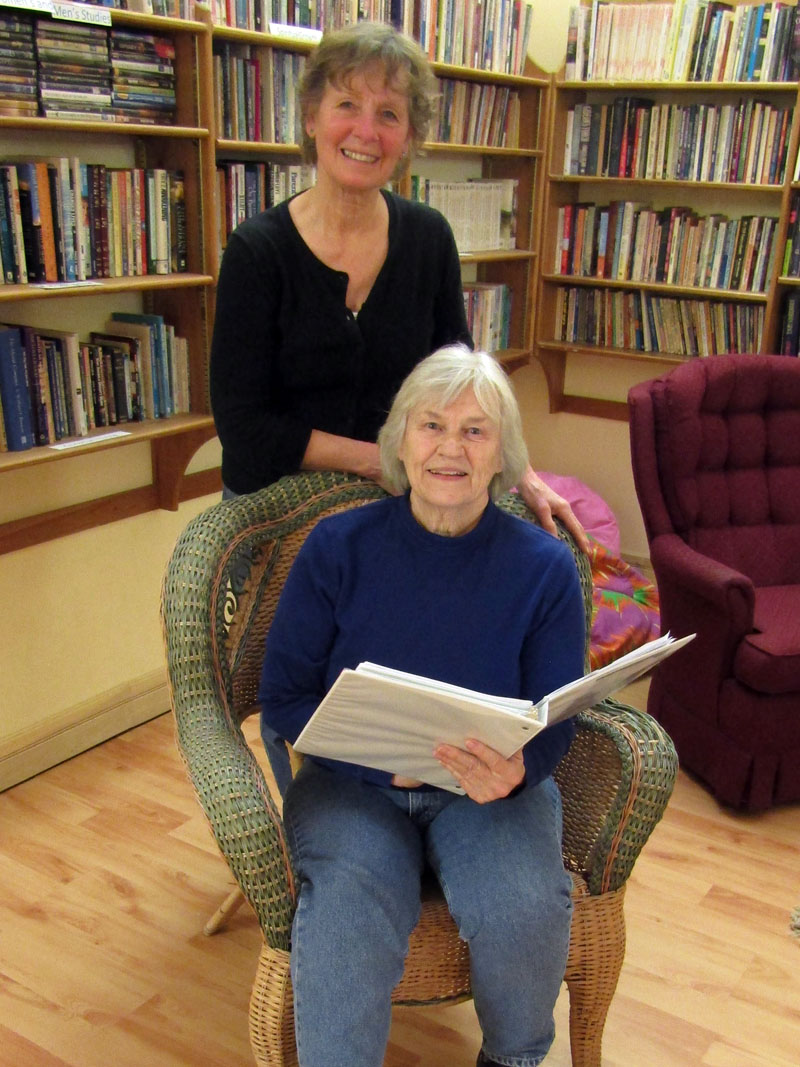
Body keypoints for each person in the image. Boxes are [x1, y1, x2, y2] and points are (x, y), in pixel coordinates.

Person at [258, 345, 586, 1067]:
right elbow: (281, 698)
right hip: (353, 783)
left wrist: (520, 769)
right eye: (433, 425)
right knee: (346, 910)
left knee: (524, 906)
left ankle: (513, 1058)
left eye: (476, 430)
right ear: (401, 441)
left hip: (486, 786)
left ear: (504, 454)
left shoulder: (544, 567)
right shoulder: (337, 546)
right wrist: (382, 767)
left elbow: (559, 715)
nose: (451, 448)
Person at [209, 19, 588, 550]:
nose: (367, 131)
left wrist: (519, 472)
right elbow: (244, 428)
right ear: (312, 118)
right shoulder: (256, 252)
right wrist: (380, 460)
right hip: (275, 513)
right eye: (347, 105)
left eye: (388, 114)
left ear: (408, 137)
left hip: (398, 502)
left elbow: (459, 386)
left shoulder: (428, 237)